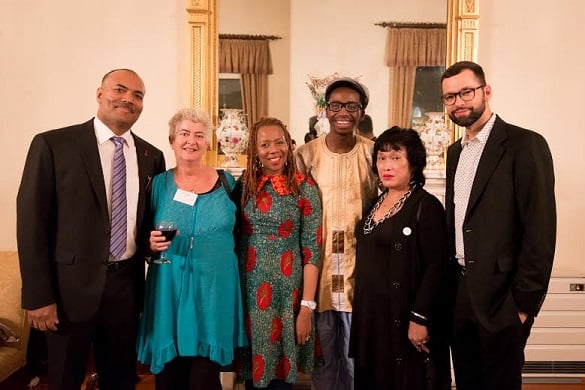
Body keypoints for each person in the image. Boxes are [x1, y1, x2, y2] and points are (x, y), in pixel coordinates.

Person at [16, 68, 166, 389]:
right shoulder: (53, 144)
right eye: (120, 90)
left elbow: (147, 225)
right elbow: (32, 224)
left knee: (121, 380)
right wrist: (38, 296)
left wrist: (155, 248)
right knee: (64, 381)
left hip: (126, 291)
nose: (128, 99)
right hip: (66, 295)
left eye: (138, 95)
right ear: (100, 94)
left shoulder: (151, 156)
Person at [441, 61, 556, 390]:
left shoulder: (525, 145)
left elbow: (541, 229)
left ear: (485, 92)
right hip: (460, 295)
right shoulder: (454, 153)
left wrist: (522, 307)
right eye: (450, 97)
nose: (458, 102)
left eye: (466, 92)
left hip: (503, 300)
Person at [136, 108, 247, 390]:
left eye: (199, 135)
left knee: (205, 376)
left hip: (214, 290)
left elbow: (242, 233)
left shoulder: (228, 182)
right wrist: (150, 245)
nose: (191, 141)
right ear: (172, 139)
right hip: (168, 288)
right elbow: (141, 236)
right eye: (184, 134)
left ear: (208, 143)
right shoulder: (157, 184)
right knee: (170, 374)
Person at [349, 127, 451, 389]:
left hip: (403, 318)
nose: (387, 165)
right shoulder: (375, 202)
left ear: (413, 163)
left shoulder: (425, 206)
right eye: (381, 158)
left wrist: (420, 318)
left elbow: (437, 267)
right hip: (372, 319)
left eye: (396, 157)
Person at [295, 77, 378, 390]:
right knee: (324, 364)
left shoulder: (374, 154)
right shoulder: (304, 156)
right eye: (336, 105)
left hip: (361, 274)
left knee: (359, 364)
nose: (343, 111)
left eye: (352, 105)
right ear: (325, 110)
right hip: (320, 274)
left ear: (361, 112)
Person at [235, 117, 322, 389]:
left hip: (288, 294)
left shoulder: (305, 187)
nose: (273, 149)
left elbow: (312, 251)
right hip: (248, 292)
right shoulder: (244, 185)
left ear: (289, 144)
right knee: (251, 377)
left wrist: (306, 309)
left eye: (279, 142)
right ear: (255, 150)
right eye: (264, 144)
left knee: (281, 379)